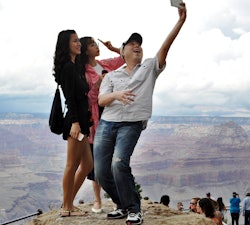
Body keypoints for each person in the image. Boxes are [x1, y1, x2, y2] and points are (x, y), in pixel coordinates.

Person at [93, 2, 187, 224]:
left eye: (140, 45)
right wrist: (117, 95)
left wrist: (180, 21)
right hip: (107, 123)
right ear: (123, 51)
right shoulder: (113, 76)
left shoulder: (149, 68)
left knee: (118, 163)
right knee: (100, 171)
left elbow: (166, 46)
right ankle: (121, 205)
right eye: (132, 44)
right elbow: (101, 100)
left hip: (131, 124)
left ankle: (134, 208)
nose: (137, 46)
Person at [79, 36, 124, 213]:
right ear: (85, 50)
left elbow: (124, 58)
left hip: (111, 115)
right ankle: (97, 200)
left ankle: (116, 198)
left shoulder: (104, 64)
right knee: (96, 162)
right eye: (92, 44)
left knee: (112, 160)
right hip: (95, 121)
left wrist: (112, 47)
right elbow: (87, 99)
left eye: (95, 44)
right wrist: (98, 83)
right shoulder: (83, 71)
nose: (96, 47)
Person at [52, 29, 93, 217]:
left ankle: (67, 202)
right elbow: (70, 98)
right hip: (75, 122)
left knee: (87, 165)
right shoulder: (68, 68)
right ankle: (67, 207)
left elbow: (82, 95)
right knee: (72, 165)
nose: (79, 44)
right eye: (75, 41)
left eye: (79, 41)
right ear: (66, 44)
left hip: (83, 121)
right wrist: (75, 123)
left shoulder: (75, 66)